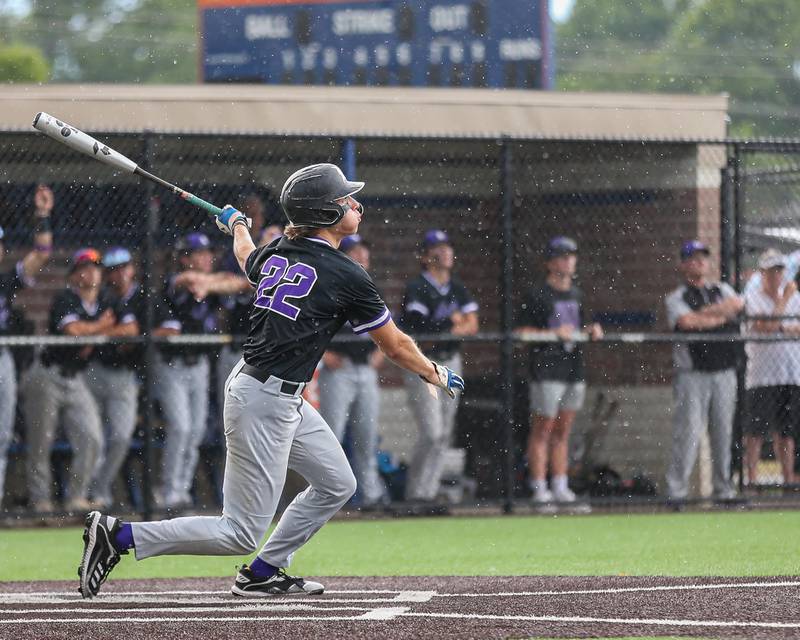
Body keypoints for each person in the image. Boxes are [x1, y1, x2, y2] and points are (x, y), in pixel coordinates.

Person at [78, 163, 464, 599]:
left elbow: (247, 259)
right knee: (238, 532)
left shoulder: (281, 250)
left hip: (276, 396)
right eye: (345, 200)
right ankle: (120, 536)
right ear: (325, 214)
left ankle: (264, 572)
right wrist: (435, 371)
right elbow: (393, 346)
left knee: (338, 483)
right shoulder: (346, 273)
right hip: (263, 400)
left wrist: (238, 226)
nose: (355, 203)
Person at [516, 236, 602, 506]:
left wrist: (591, 330)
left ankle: (560, 484)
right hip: (546, 369)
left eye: (571, 256)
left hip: (572, 369)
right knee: (543, 428)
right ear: (550, 263)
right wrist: (553, 333)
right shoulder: (537, 295)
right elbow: (521, 333)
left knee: (563, 430)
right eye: (562, 256)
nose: (568, 261)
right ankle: (540, 486)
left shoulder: (577, 294)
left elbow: (583, 325)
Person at [22, 248, 109, 513]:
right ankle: (40, 500)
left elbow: (130, 328)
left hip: (75, 378)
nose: (91, 272)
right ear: (74, 275)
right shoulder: (65, 299)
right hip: (47, 375)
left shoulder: (105, 302)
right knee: (41, 440)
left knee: (92, 437)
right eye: (84, 268)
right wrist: (102, 327)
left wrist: (94, 331)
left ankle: (76, 498)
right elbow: (73, 332)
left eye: (95, 267)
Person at [399, 229, 479, 503]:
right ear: (425, 256)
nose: (444, 252)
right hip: (424, 363)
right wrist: (453, 323)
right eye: (437, 248)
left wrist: (453, 325)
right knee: (431, 432)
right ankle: (416, 494)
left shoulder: (456, 287)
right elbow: (422, 327)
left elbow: (473, 324)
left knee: (444, 432)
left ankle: (429, 493)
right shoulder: (417, 287)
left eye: (447, 247)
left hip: (451, 361)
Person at [664, 240, 743, 504]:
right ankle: (677, 492)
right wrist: (717, 318)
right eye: (692, 258)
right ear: (683, 264)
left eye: (702, 258)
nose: (698, 262)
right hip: (692, 373)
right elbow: (686, 322)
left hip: (724, 371)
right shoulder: (677, 297)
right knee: (687, 433)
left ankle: (724, 490)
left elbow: (737, 306)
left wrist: (706, 317)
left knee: (723, 433)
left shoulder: (722, 289)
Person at [153, 232, 223, 511]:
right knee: (180, 427)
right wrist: (221, 283)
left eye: (208, 253)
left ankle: (180, 491)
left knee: (196, 430)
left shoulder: (212, 285)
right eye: (199, 254)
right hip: (172, 365)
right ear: (184, 258)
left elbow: (244, 285)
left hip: (200, 365)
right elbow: (191, 282)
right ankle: (168, 490)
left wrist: (221, 284)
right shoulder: (175, 282)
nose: (207, 258)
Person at [317, 234, 387, 509]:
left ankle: (370, 495)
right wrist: (323, 353)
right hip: (339, 369)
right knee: (331, 434)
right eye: (355, 251)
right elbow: (310, 326)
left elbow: (386, 326)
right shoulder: (328, 285)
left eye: (363, 250)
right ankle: (326, 497)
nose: (362, 255)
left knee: (366, 435)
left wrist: (382, 352)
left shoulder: (370, 286)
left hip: (365, 368)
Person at [0, 185, 54, 508]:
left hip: (2, 353)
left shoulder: (6, 280)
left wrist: (43, 216)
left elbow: (42, 254)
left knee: (2, 433)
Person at [86, 247, 144, 508]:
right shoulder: (103, 297)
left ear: (131, 269)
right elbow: (79, 333)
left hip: (124, 375)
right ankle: (89, 494)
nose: (119, 275)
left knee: (121, 436)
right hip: (94, 371)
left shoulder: (140, 296)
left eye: (123, 268)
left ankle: (99, 489)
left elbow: (131, 329)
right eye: (113, 270)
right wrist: (104, 330)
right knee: (93, 437)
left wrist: (101, 331)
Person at [743, 249, 800, 487]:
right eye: (771, 272)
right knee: (755, 432)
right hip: (761, 376)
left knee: (786, 433)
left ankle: (788, 481)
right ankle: (752, 482)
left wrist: (780, 326)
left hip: (790, 372)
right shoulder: (752, 298)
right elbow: (764, 327)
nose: (776, 276)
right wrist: (783, 304)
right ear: (762, 274)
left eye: (779, 271)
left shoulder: (796, 298)